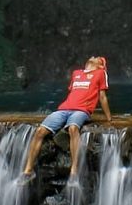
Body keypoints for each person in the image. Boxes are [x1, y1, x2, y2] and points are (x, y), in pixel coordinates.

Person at [21, 56, 111, 184]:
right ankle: (28, 171)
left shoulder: (101, 73)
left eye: (98, 58)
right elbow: (72, 93)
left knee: (73, 128)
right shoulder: (76, 73)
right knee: (40, 131)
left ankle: (74, 171)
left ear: (101, 65)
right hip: (63, 109)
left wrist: (109, 119)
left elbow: (102, 97)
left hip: (82, 110)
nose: (94, 57)